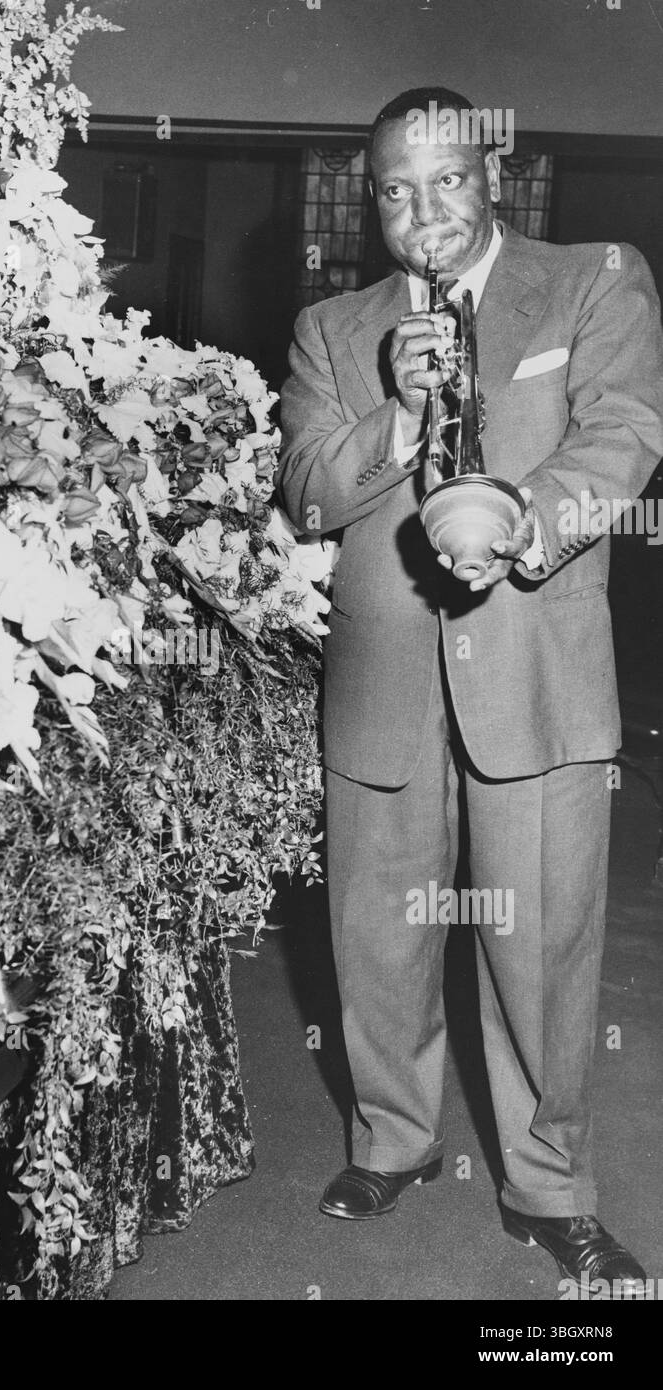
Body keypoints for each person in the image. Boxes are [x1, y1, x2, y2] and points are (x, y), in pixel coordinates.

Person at [276, 86, 663, 1296]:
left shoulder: (592, 276)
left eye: (445, 180)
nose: (422, 210)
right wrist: (394, 411)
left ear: (489, 173)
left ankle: (548, 1186)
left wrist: (518, 518)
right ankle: (391, 1139)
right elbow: (301, 494)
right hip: (383, 684)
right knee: (376, 941)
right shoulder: (331, 327)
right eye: (395, 188)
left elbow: (624, 432)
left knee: (540, 947)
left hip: (536, 680)